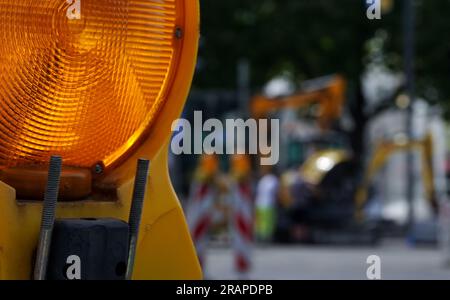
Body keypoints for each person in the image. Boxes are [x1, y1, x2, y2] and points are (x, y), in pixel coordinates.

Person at [255, 165, 279, 242]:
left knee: (260, 222)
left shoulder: (263, 179)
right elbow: (275, 192)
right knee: (268, 222)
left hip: (259, 203)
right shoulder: (273, 179)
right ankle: (266, 238)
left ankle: (260, 237)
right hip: (269, 204)